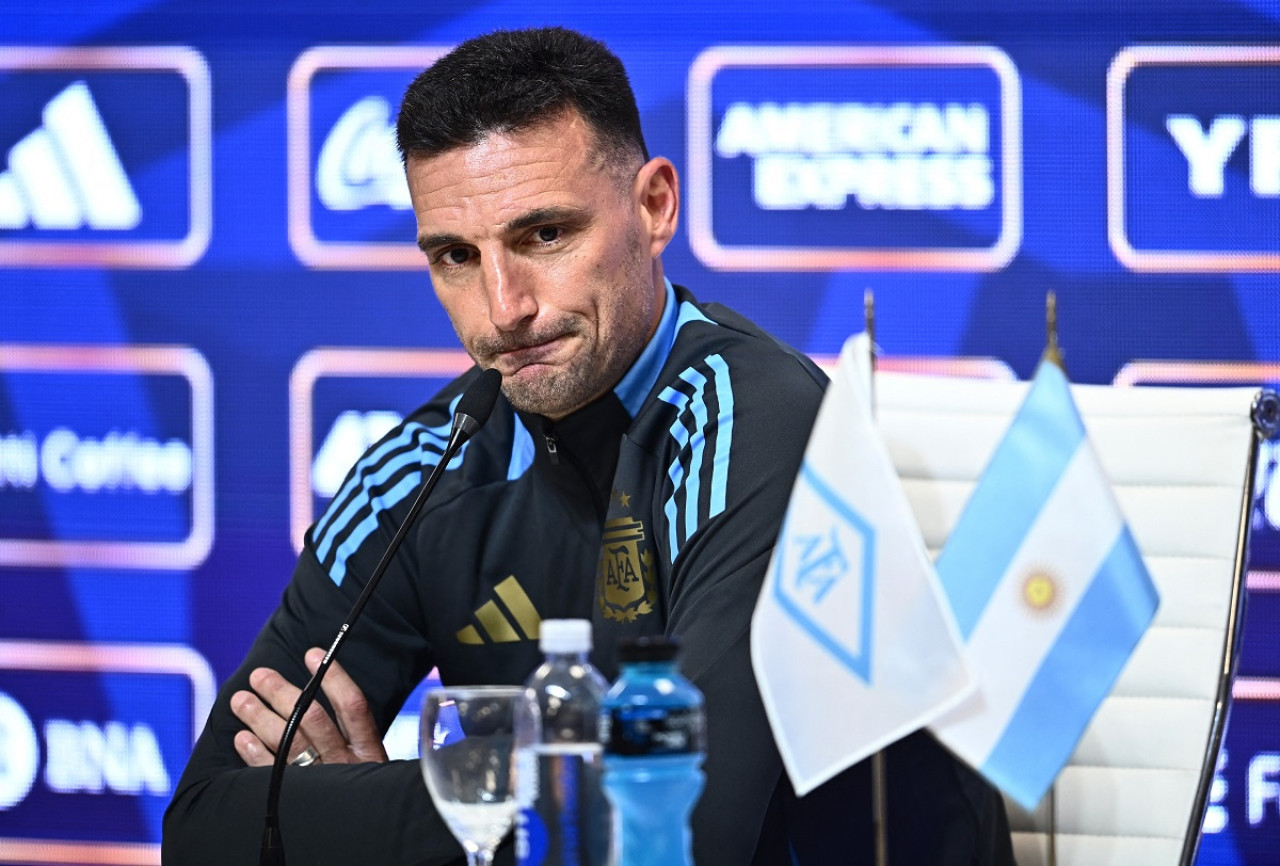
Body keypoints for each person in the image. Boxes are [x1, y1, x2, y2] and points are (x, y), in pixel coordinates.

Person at [162, 26, 1013, 866]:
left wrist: (370, 823)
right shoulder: (420, 469)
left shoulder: (757, 418)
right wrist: (492, 816)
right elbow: (204, 826)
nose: (503, 308)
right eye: (457, 255)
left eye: (545, 236)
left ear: (654, 208)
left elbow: (681, 828)